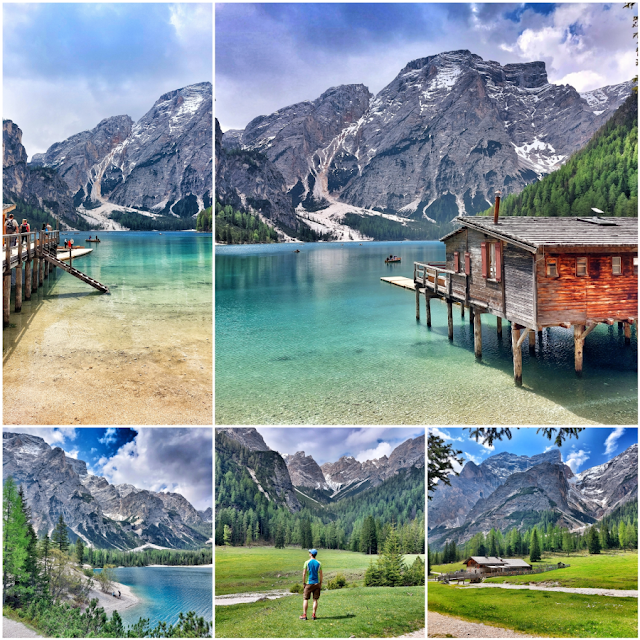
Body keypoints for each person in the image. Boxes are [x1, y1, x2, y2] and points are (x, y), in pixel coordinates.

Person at [300, 549, 322, 621]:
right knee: (315, 600)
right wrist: (320, 583)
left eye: (309, 553)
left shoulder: (307, 562)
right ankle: (313, 614)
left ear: (311, 554)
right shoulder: (319, 563)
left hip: (309, 583)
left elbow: (304, 573)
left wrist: (303, 582)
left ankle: (304, 615)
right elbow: (321, 574)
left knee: (305, 599)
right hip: (317, 583)